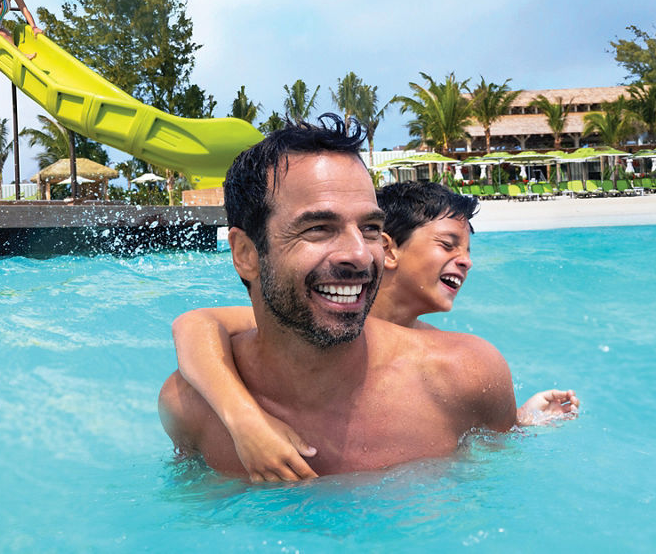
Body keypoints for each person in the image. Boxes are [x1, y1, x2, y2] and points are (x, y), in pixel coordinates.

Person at [158, 115, 518, 480]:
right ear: (246, 254)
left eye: (370, 228)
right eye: (318, 228)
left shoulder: (464, 379)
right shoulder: (191, 410)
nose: (360, 254)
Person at [172, 179, 579, 481]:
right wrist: (245, 420)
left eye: (468, 251)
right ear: (388, 249)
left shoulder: (451, 360)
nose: (465, 261)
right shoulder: (318, 318)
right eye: (448, 244)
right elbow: (195, 325)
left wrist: (523, 420)